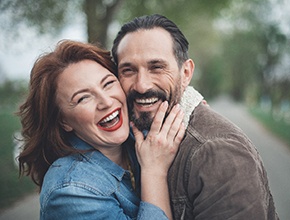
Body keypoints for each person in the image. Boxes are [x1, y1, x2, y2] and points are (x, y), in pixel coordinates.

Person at [111, 14, 279, 219]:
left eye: (157, 67)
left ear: (186, 73)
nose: (142, 85)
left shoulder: (217, 152)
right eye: (128, 70)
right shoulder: (128, 135)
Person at [17, 40, 185, 220]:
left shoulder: (135, 133)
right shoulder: (71, 191)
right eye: (83, 98)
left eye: (108, 84)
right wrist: (154, 172)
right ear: (64, 121)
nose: (106, 101)